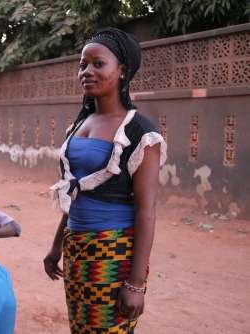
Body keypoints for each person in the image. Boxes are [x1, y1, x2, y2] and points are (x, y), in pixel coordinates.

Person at [43, 28, 167, 334]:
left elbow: (146, 210)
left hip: (113, 253)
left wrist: (136, 284)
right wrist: (57, 245)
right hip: (77, 252)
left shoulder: (139, 132)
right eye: (83, 65)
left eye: (99, 64)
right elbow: (76, 189)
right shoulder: (79, 125)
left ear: (122, 71)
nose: (87, 71)